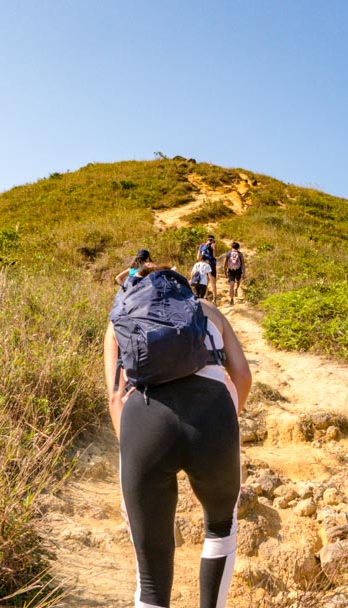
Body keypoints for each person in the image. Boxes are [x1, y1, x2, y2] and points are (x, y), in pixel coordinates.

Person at [104, 266, 253, 608]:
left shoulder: (119, 318)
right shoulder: (207, 310)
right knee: (220, 528)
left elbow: (116, 397)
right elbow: (242, 376)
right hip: (212, 416)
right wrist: (223, 424)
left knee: (151, 571)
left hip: (145, 421)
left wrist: (131, 455)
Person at [198, 235, 218, 302]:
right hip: (211, 264)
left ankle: (205, 297)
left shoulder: (202, 245)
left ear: (207, 239)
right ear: (213, 240)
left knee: (205, 281)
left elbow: (198, 257)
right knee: (213, 282)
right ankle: (214, 298)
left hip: (202, 265)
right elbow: (214, 256)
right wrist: (214, 248)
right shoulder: (213, 245)